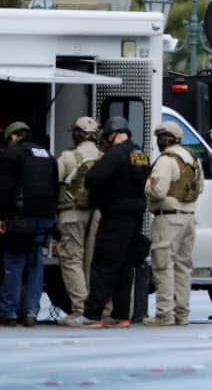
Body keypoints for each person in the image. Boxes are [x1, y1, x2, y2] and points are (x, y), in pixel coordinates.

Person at [73, 117, 150, 328]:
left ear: (113, 133)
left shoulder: (115, 154)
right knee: (124, 268)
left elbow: (94, 178)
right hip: (135, 218)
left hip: (115, 217)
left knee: (103, 265)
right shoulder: (140, 154)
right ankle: (122, 315)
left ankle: (92, 315)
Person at [143, 121, 204, 326]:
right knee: (183, 267)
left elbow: (157, 190)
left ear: (164, 139)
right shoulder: (193, 159)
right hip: (189, 217)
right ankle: (182, 314)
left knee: (163, 265)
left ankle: (164, 314)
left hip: (168, 218)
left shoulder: (166, 160)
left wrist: (147, 188)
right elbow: (200, 187)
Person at [0, 122, 58, 327]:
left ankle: (9, 312)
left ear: (14, 136)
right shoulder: (47, 155)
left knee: (14, 263)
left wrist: (3, 217)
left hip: (21, 218)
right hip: (44, 217)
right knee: (35, 264)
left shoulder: (13, 153)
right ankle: (31, 312)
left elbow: (5, 189)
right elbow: (55, 186)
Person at [55, 117, 103, 326]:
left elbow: (54, 182)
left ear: (77, 134)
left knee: (71, 259)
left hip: (71, 213)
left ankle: (80, 309)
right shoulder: (103, 157)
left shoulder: (67, 157)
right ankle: (94, 308)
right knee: (90, 261)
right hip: (96, 214)